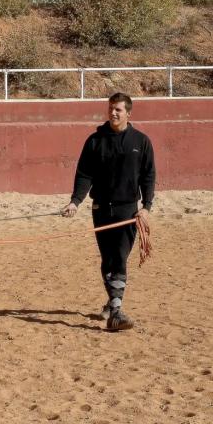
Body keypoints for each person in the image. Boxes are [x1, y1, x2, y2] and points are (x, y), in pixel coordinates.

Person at [62, 92, 155, 331]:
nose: (113, 113)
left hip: (128, 210)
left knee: (120, 257)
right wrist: (75, 201)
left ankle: (115, 311)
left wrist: (146, 207)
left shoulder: (141, 141)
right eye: (111, 109)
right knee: (107, 260)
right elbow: (84, 174)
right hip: (101, 208)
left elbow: (148, 176)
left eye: (118, 110)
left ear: (128, 113)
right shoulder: (95, 141)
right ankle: (115, 304)